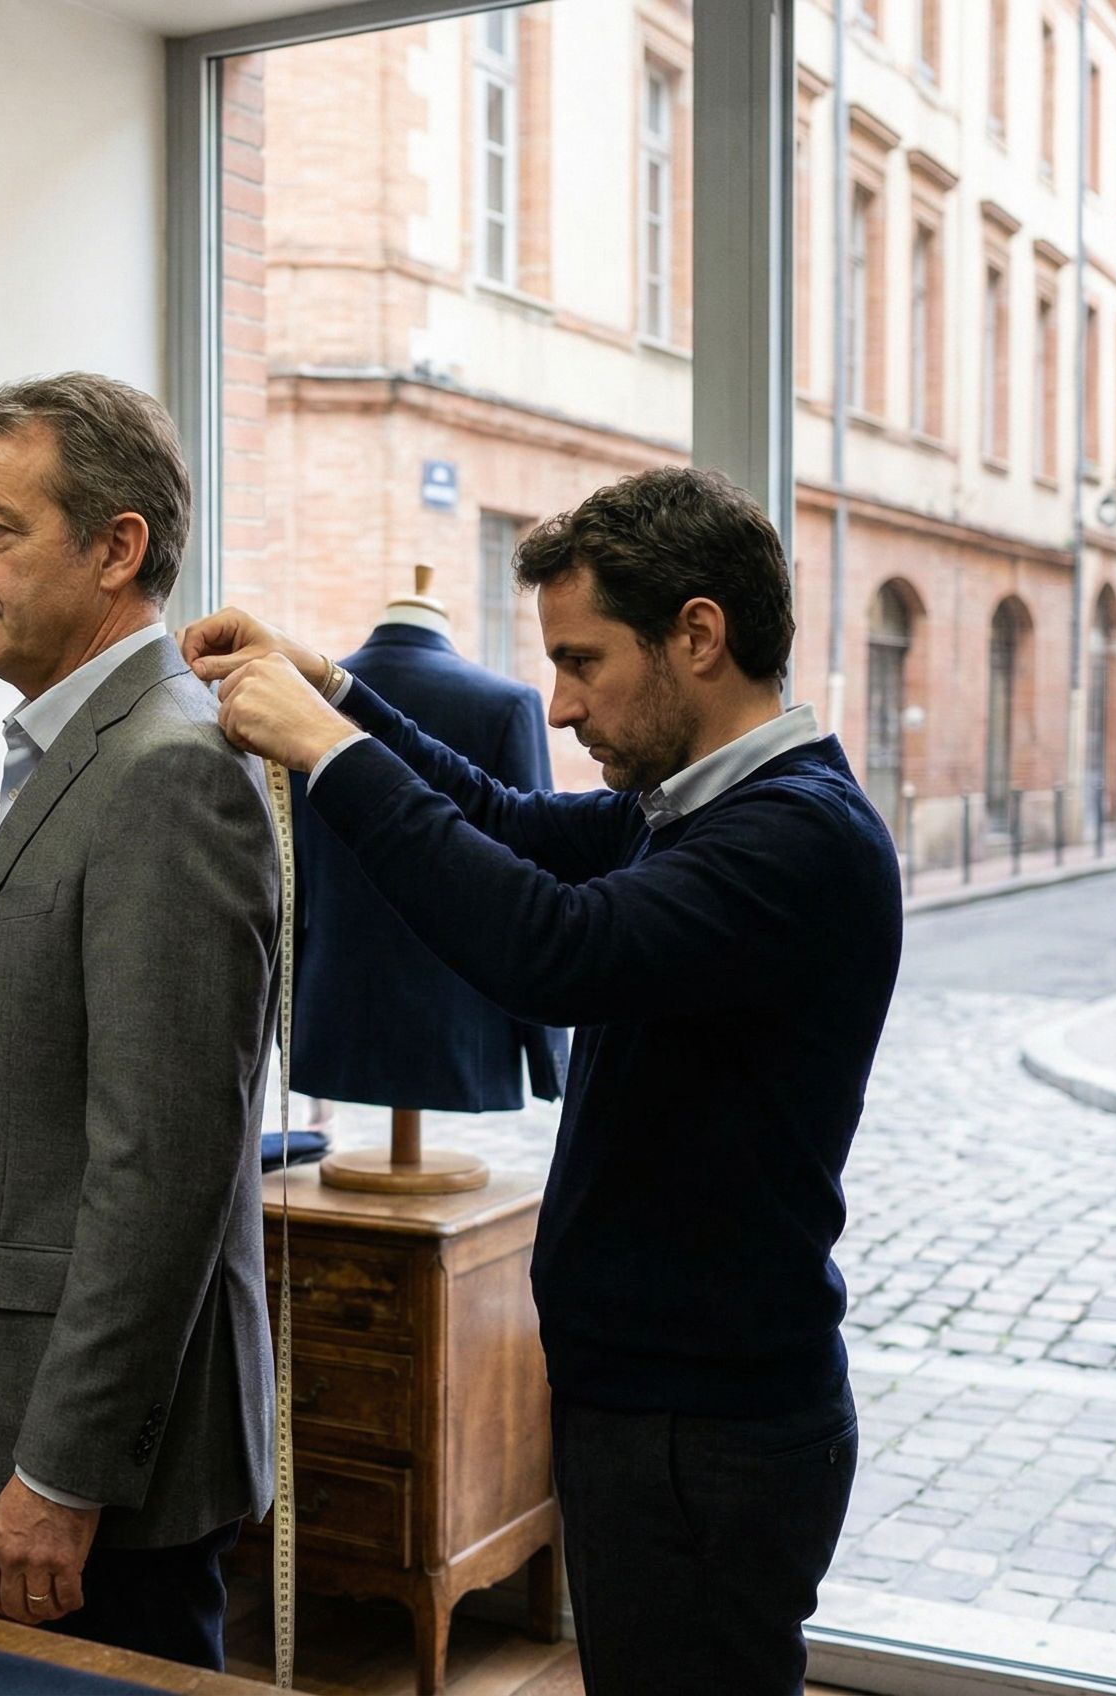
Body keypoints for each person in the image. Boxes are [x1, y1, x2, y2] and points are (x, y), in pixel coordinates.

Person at [186, 465, 902, 1695]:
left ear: (696, 634)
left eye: (584, 662)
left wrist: (329, 752)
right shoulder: (686, 809)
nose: (561, 706)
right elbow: (509, 820)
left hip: (706, 1430)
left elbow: (546, 948)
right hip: (664, 1409)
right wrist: (337, 693)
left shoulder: (797, 839)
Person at [0, 372, 277, 1671]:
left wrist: (62, 1473)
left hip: (116, 1464)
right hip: (40, 1412)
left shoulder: (166, 773)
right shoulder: (76, 751)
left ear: (117, 549)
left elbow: (162, 1174)